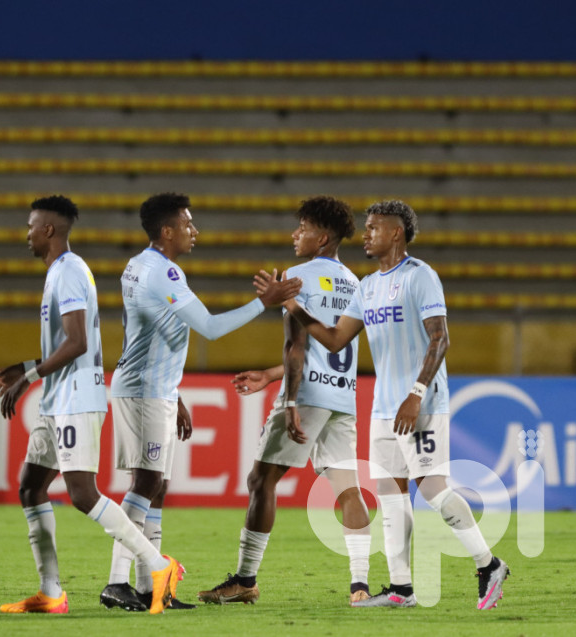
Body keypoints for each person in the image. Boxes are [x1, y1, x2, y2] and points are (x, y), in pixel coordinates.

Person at [279, 199, 509, 610]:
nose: (365, 234)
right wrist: (294, 307)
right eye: (366, 228)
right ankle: (402, 589)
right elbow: (334, 340)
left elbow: (440, 338)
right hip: (384, 407)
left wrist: (416, 393)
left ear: (396, 233)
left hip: (420, 403)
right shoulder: (367, 286)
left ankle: (488, 563)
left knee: (434, 489)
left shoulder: (421, 277)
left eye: (373, 228)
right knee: (389, 494)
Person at [100, 192, 302, 612]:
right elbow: (210, 327)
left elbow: (151, 332)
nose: (195, 231)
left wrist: (174, 394)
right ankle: (118, 581)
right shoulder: (164, 273)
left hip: (152, 387)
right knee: (145, 484)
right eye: (188, 224)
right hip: (143, 390)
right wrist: (262, 304)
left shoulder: (138, 265)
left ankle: (151, 588)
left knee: (158, 486)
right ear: (167, 230)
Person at [0, 195, 184, 615]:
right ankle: (51, 591)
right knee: (30, 486)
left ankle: (156, 565)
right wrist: (23, 366)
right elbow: (67, 341)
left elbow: (76, 344)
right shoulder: (59, 272)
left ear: (49, 230)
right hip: (57, 398)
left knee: (80, 493)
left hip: (76, 398)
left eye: (31, 226)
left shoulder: (71, 273)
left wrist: (28, 378)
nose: (26, 234)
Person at [197, 196, 372, 607]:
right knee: (348, 490)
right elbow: (328, 348)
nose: (296, 234)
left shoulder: (296, 277)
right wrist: (270, 374)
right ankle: (359, 585)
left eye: (303, 228)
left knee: (262, 480)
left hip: (308, 394)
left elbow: (297, 348)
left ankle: (245, 579)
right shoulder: (355, 283)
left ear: (322, 236)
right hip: (343, 396)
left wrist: (289, 399)